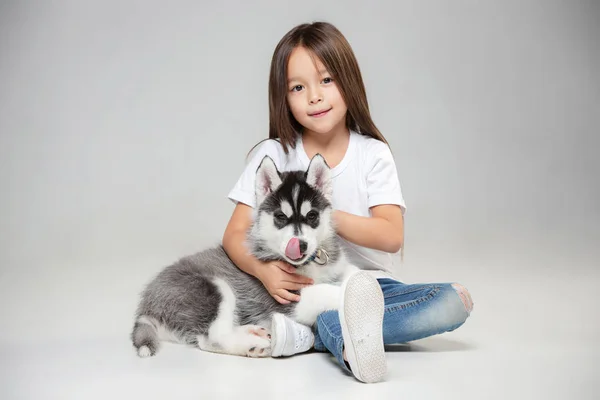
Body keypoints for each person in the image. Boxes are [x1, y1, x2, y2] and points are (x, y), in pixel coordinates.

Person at [222, 21, 473, 383]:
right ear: (283, 96)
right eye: (298, 87)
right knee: (324, 306)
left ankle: (309, 337)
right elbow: (233, 234)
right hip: (303, 282)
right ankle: (342, 341)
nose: (314, 96)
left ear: (348, 81)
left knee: (451, 300)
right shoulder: (274, 155)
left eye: (326, 80)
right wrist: (263, 271)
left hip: (369, 284)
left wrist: (320, 214)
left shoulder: (373, 154)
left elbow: (391, 236)